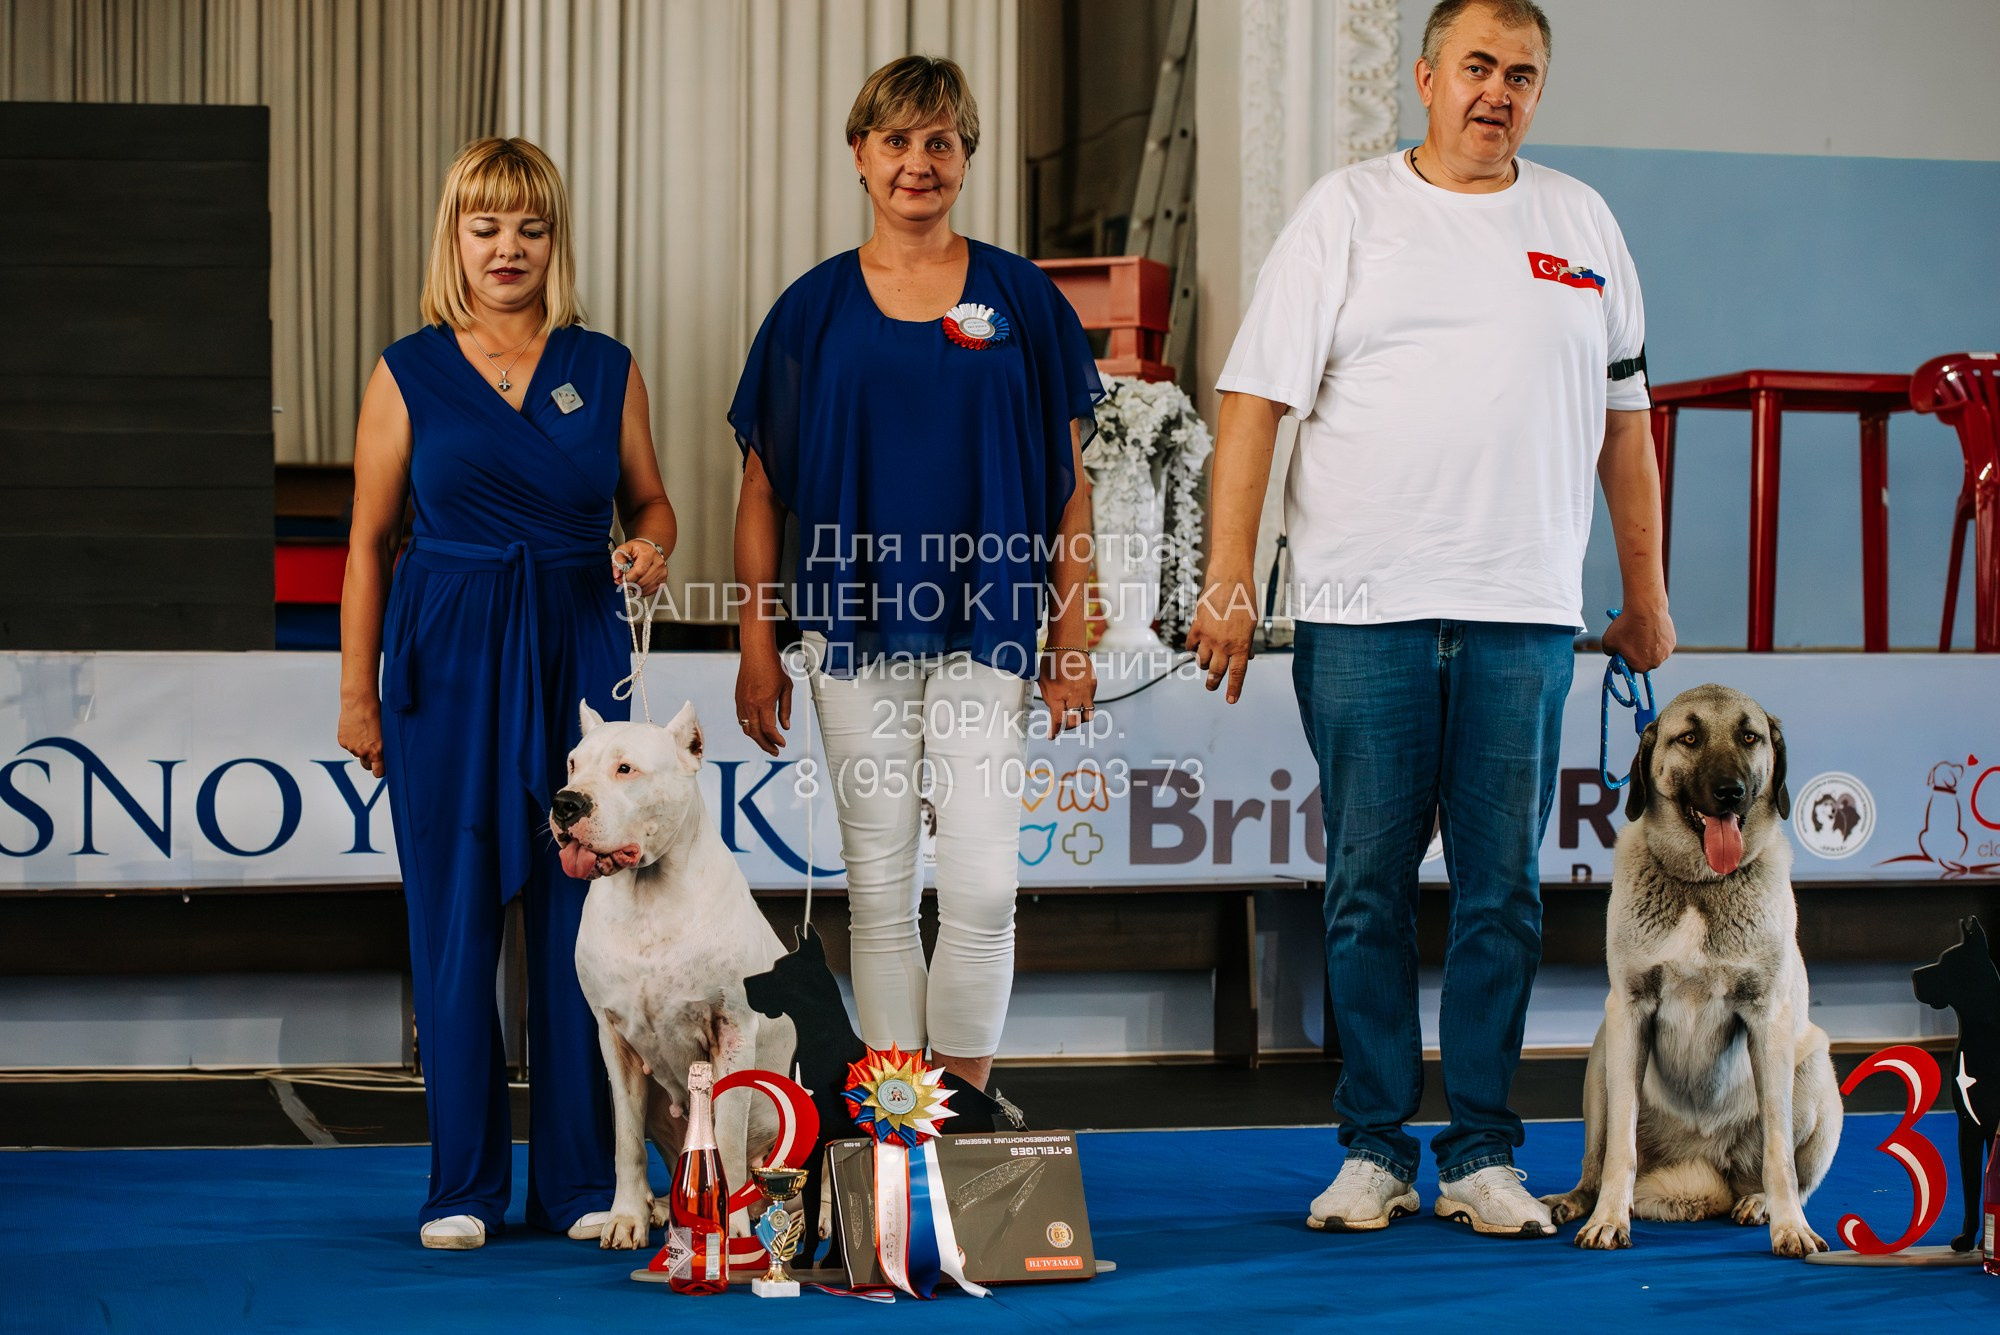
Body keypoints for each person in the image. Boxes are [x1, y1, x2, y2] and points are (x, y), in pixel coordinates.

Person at [1190, 0, 1675, 1238]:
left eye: (1520, 74)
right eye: (1474, 66)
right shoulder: (1344, 214)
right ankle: (1369, 1147)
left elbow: (1627, 425)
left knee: (1503, 892)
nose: (1495, 92)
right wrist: (1228, 579)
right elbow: (1251, 405)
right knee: (1362, 886)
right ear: (1422, 78)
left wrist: (1646, 593)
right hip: (1364, 614)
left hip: (1523, 616)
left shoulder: (1582, 223)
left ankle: (1478, 1154)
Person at [730, 56, 1103, 1100]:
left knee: (983, 889)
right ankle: (903, 1136)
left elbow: (1070, 487)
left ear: (964, 158)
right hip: (849, 639)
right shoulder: (808, 312)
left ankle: (965, 1111)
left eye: (939, 142)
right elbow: (761, 491)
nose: (916, 163)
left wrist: (1072, 640)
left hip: (988, 629)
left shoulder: (1020, 298)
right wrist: (757, 646)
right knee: (881, 894)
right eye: (895, 141)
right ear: (859, 155)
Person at [337, 137, 676, 1250]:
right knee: (453, 921)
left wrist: (650, 549)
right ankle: (462, 1189)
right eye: (486, 227)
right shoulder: (405, 370)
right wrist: (358, 693)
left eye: (529, 227)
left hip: (577, 650)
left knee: (588, 917)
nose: (508, 248)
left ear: (552, 239)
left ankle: (582, 1182)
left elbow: (653, 507)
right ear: (457, 238)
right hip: (444, 655)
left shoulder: (606, 363)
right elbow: (368, 543)